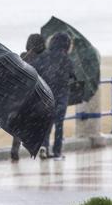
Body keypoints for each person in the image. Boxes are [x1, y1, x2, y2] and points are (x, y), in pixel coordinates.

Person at [32, 32, 75, 161]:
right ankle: (57, 152)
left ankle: (44, 146)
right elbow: (72, 76)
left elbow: (35, 72)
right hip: (61, 95)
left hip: (46, 95)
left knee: (46, 123)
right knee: (59, 124)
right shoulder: (66, 59)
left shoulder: (43, 56)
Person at [11, 33, 46, 162]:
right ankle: (41, 147)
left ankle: (14, 151)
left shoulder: (21, 57)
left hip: (20, 97)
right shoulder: (41, 60)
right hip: (35, 97)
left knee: (18, 127)